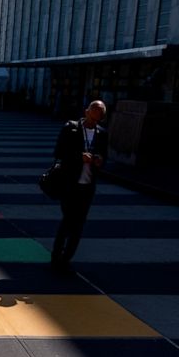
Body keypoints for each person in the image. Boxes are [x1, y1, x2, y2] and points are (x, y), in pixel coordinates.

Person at [50, 100, 108, 272]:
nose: (97, 114)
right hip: (70, 183)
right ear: (87, 111)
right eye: (95, 110)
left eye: (100, 112)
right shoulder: (71, 128)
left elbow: (104, 155)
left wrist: (99, 160)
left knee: (79, 223)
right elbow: (59, 152)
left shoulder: (102, 133)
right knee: (68, 220)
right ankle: (56, 256)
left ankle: (67, 258)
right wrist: (79, 156)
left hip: (87, 185)